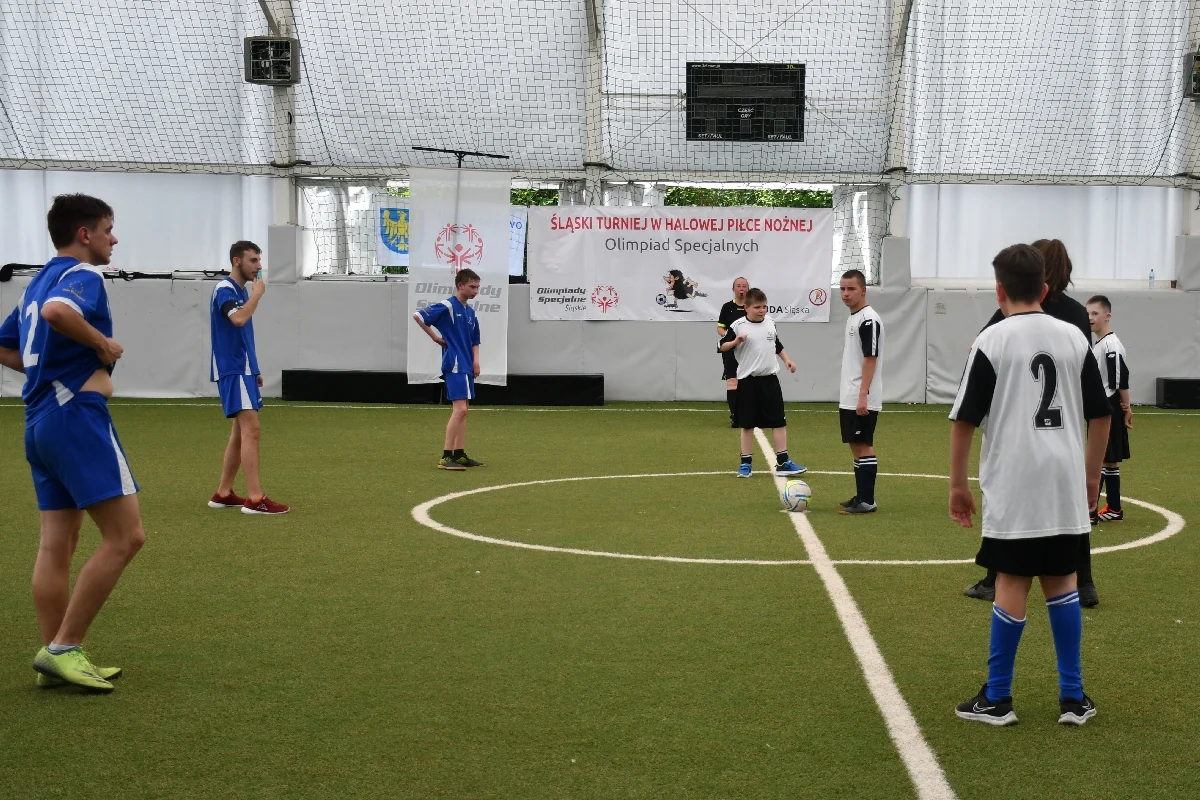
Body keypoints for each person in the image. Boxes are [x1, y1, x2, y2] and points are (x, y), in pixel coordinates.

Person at [949, 243, 1111, 727]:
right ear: (1044, 288)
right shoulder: (1075, 337)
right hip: (1063, 479)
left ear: (999, 290)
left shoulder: (991, 341)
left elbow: (964, 419)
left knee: (1011, 579)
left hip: (1015, 478)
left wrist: (957, 484)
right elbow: (1101, 415)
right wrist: (1091, 476)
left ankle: (998, 697)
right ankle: (1073, 697)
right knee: (1062, 581)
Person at [0, 194, 144, 692]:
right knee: (127, 537)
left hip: (39, 423)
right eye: (107, 228)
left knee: (56, 544)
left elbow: (5, 345)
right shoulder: (83, 275)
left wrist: (43, 370)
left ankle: (54, 655)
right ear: (84, 234)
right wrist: (102, 345)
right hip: (76, 419)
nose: (113, 239)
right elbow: (59, 313)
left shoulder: (36, 282)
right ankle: (64, 647)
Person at [963, 238, 1102, 607]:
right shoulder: (1076, 317)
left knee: (1008, 521)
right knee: (1070, 513)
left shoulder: (1008, 319)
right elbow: (1094, 399)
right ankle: (1085, 582)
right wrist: (1092, 475)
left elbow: (978, 348)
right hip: (1063, 439)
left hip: (1019, 441)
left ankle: (994, 578)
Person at [208, 241, 289, 515]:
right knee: (251, 430)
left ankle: (223, 493)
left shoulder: (239, 291)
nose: (258, 266)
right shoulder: (225, 289)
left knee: (240, 434)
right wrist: (258, 295)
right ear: (236, 261)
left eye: (259, 260)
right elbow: (239, 320)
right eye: (253, 260)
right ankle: (255, 499)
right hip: (233, 368)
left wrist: (254, 369)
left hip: (242, 369)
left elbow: (241, 332)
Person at [717, 287, 805, 478]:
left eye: (764, 307)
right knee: (747, 425)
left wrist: (787, 360)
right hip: (747, 382)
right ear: (746, 307)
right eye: (757, 307)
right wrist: (736, 342)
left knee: (779, 422)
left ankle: (783, 462)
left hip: (770, 381)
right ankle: (745, 464)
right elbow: (721, 346)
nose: (762, 310)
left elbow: (777, 345)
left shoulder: (770, 322)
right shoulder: (738, 326)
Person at [413, 268, 485, 470]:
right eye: (472, 286)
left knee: (464, 410)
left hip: (466, 364)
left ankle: (459, 454)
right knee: (460, 409)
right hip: (454, 363)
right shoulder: (448, 305)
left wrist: (476, 361)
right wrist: (435, 337)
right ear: (460, 285)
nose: (475, 291)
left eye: (477, 287)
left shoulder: (470, 312)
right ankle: (446, 456)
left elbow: (475, 340)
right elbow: (418, 316)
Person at [837, 269, 884, 514]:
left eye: (851, 289)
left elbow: (870, 357)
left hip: (861, 394)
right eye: (842, 289)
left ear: (863, 290)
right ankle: (861, 497)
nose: (846, 293)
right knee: (855, 444)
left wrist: (863, 394)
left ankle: (868, 501)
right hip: (850, 394)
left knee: (864, 444)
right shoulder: (853, 318)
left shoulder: (869, 320)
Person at [1087, 295, 1132, 521]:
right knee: (1108, 458)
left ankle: (1089, 511)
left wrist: (1126, 407)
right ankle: (1114, 508)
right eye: (1088, 313)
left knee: (1100, 458)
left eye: (1095, 313)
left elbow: (1118, 379)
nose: (1090, 318)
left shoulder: (1110, 345)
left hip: (1107, 405)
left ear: (1108, 316)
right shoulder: (1100, 344)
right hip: (1105, 405)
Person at [716, 277, 750, 428]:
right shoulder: (727, 307)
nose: (741, 289)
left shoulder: (751, 307)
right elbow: (720, 328)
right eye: (738, 286)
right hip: (731, 348)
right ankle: (735, 416)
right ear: (733, 289)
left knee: (748, 383)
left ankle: (750, 413)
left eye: (744, 286)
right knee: (732, 381)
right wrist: (729, 337)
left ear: (748, 289)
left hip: (749, 350)